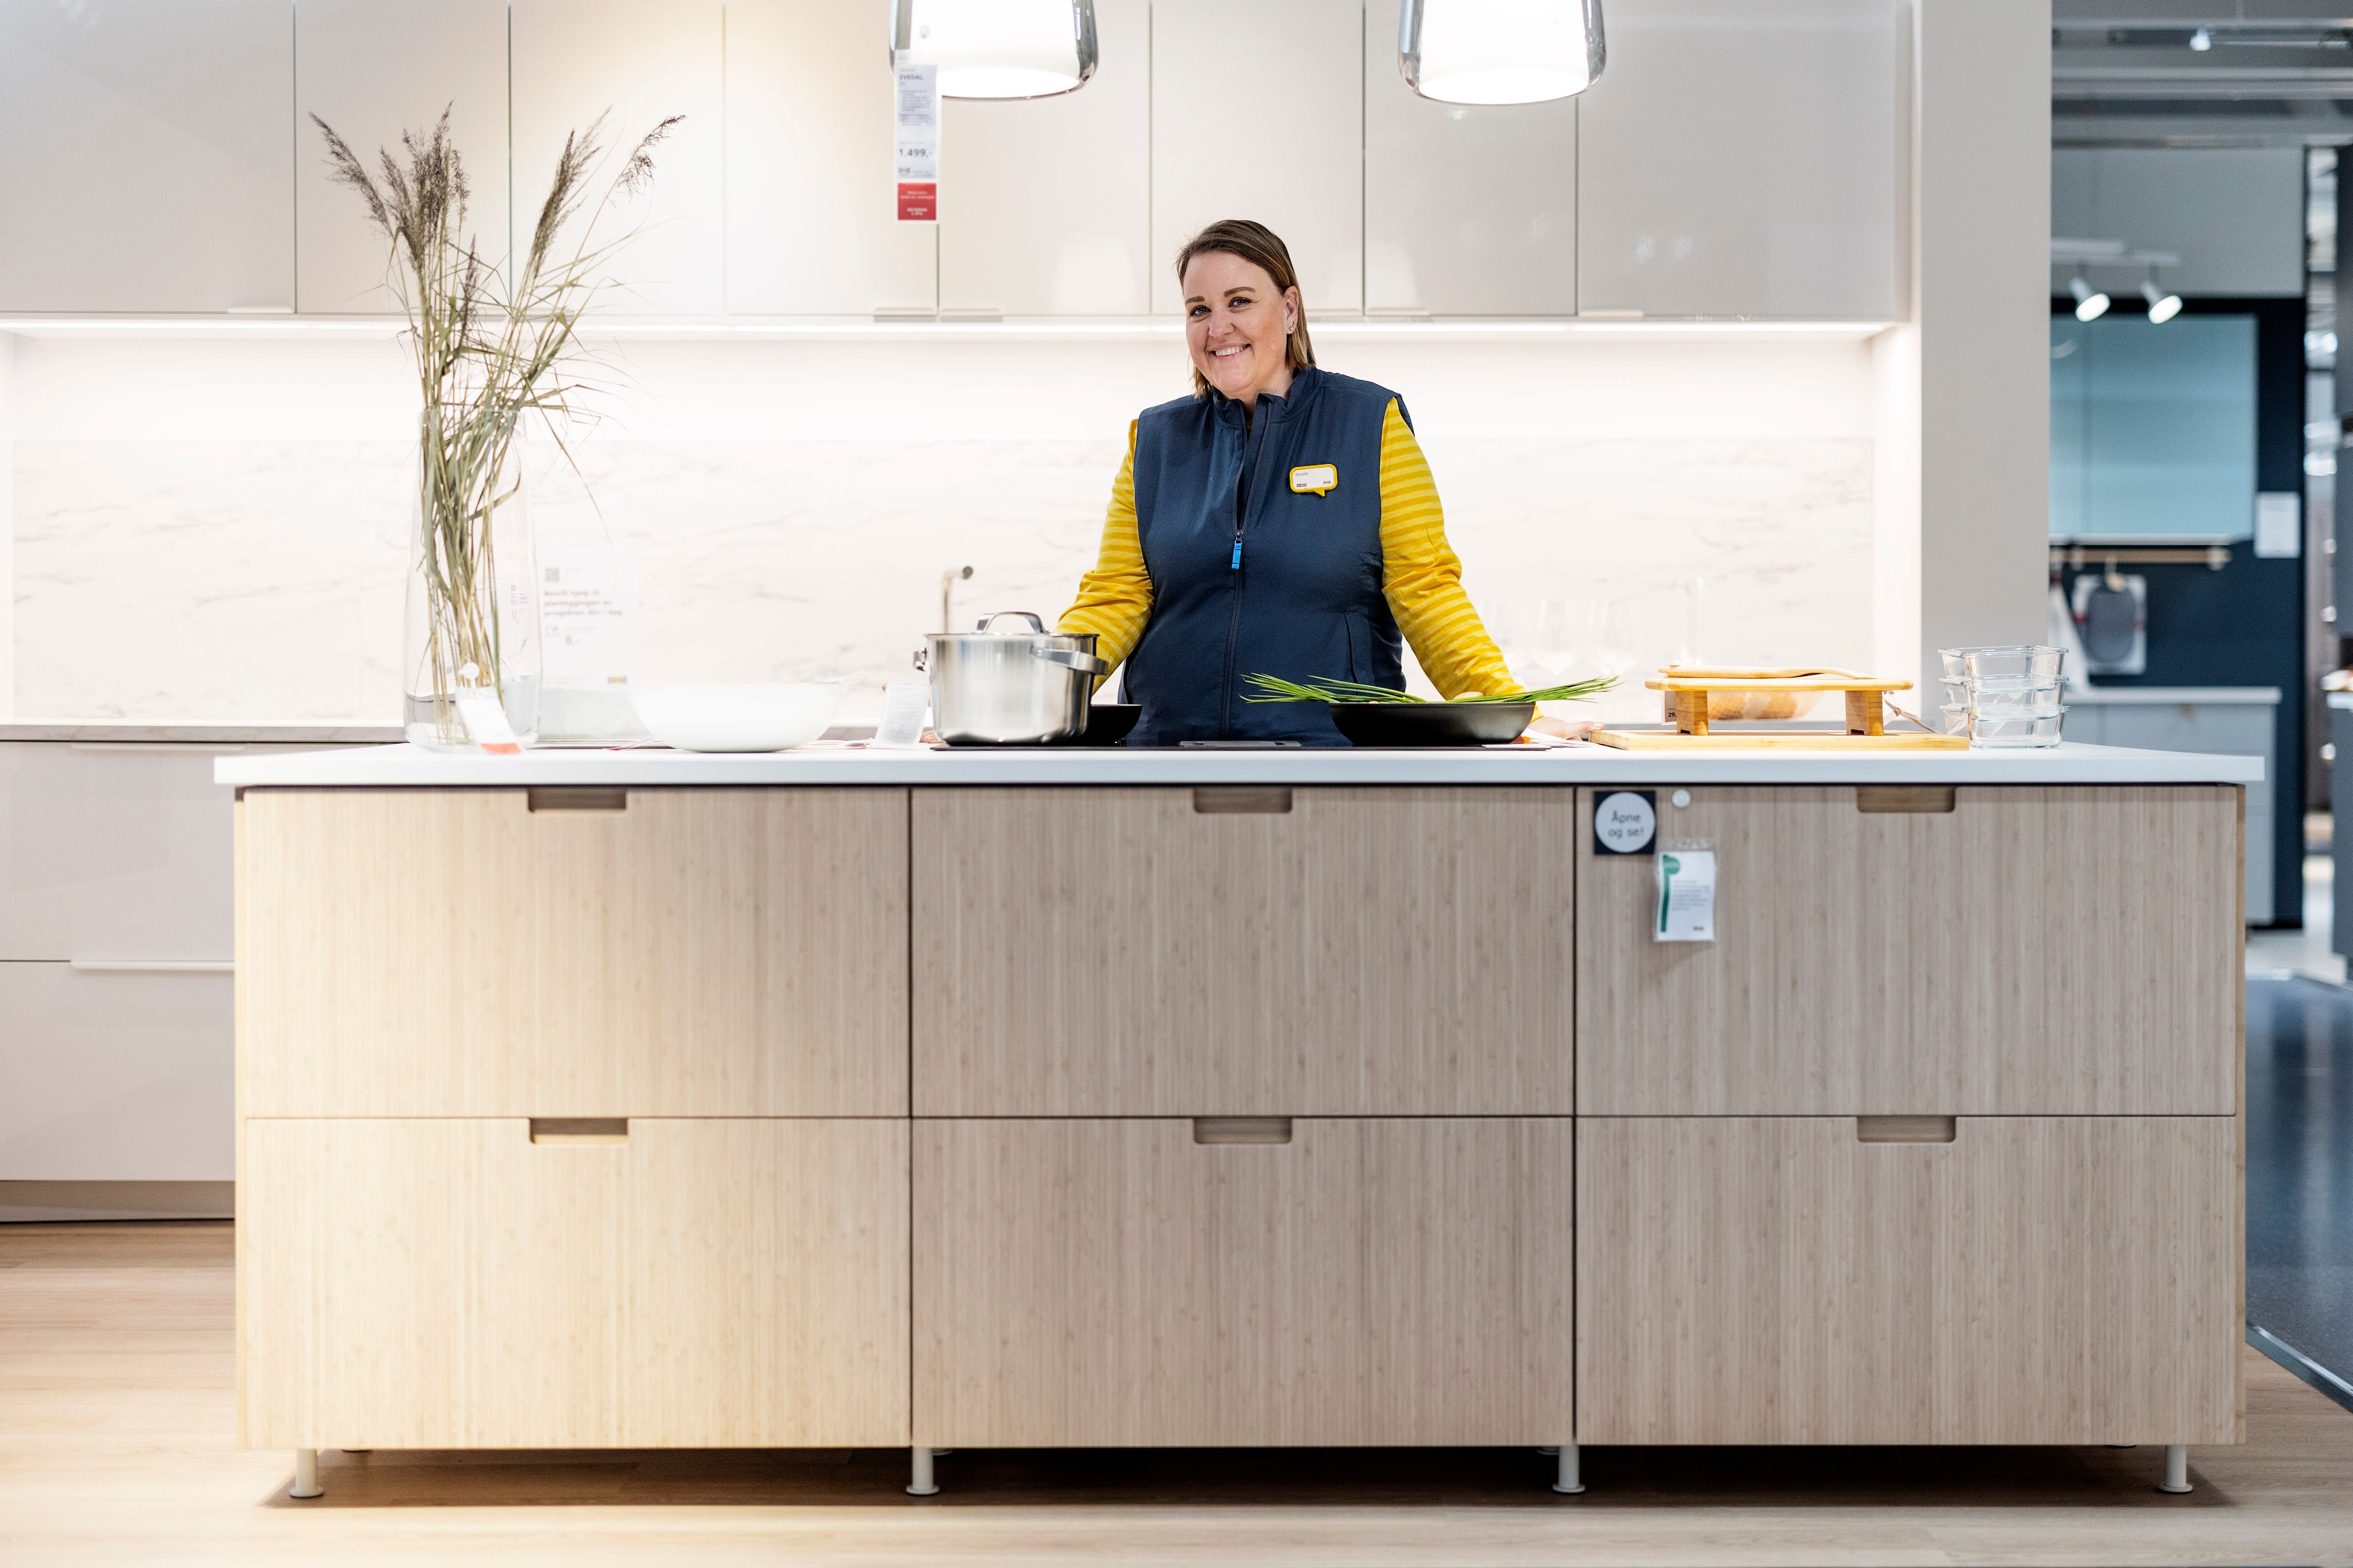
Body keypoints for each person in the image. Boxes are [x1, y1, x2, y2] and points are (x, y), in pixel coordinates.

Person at [1058, 218, 1567, 746]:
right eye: (1198, 310)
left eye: (1239, 302)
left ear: (1289, 309)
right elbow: (1116, 595)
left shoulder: (1370, 424)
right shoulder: (1155, 440)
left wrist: (1508, 710)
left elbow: (1425, 587)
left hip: (1331, 756)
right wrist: (1037, 695)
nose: (1217, 328)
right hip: (1167, 752)